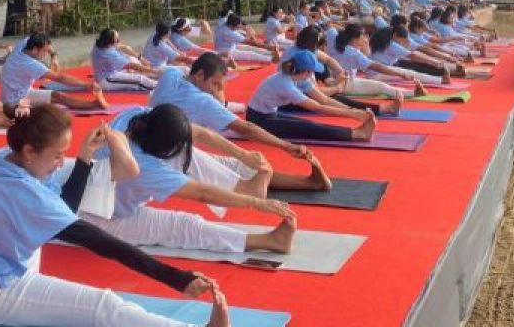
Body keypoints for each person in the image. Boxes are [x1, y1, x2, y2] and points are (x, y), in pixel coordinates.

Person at [0, 104, 232, 327]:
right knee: (103, 307)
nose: (57, 162)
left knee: (75, 177)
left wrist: (85, 156)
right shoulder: (20, 191)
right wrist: (175, 277)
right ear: (29, 151)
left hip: (13, 258)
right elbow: (102, 242)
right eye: (57, 155)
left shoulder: (6, 156)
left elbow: (65, 207)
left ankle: (109, 171)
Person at [79, 104, 297, 256]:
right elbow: (202, 193)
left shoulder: (138, 117)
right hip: (102, 217)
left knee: (185, 152)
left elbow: (199, 133)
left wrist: (243, 154)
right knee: (184, 226)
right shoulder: (145, 166)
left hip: (107, 188)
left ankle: (245, 188)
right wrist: (257, 204)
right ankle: (269, 241)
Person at [150, 53, 331, 192]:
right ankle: (310, 184)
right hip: (167, 158)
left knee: (231, 161)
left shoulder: (171, 75)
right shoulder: (201, 101)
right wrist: (285, 146)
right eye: (215, 83)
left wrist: (217, 90)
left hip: (153, 143)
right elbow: (246, 128)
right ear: (199, 75)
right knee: (236, 169)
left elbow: (182, 68)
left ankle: (309, 183)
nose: (217, 89)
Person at [245, 50, 376, 142]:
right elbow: (318, 108)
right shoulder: (285, 84)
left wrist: (353, 111)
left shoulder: (299, 77)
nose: (313, 74)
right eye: (313, 72)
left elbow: (323, 99)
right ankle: (358, 134)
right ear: (307, 71)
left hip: (270, 114)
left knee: (308, 123)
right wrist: (354, 114)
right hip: (257, 121)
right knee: (310, 128)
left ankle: (358, 132)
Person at [0, 33, 108, 116]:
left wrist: (53, 55)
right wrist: (86, 84)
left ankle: (95, 104)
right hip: (14, 101)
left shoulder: (24, 44)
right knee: (46, 113)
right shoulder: (29, 63)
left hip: (24, 92)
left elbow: (46, 43)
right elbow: (60, 78)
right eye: (44, 51)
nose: (46, 53)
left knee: (57, 96)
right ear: (35, 50)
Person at [92, 29, 160, 91]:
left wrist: (141, 58)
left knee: (132, 59)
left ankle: (155, 77)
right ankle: (159, 87)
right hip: (107, 80)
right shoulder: (108, 54)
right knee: (139, 79)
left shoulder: (101, 44)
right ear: (111, 42)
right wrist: (154, 71)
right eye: (117, 39)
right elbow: (132, 66)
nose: (119, 40)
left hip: (110, 71)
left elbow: (125, 48)